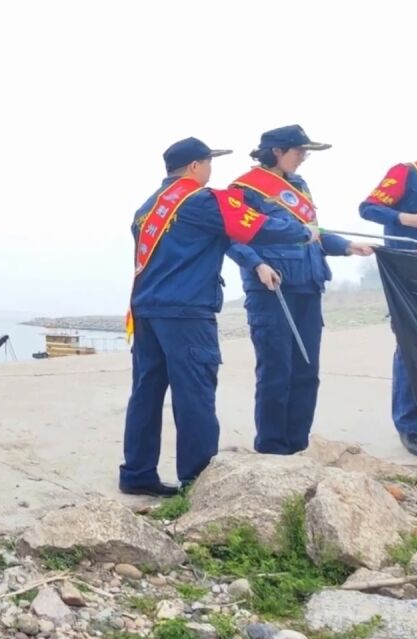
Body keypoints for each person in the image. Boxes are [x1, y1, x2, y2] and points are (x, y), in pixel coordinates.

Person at [120, 138, 316, 496]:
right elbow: (254, 225)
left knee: (146, 394)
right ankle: (198, 479)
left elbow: (223, 240)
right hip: (186, 314)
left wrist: (255, 263)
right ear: (195, 166)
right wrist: (303, 232)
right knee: (194, 394)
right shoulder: (201, 200)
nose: (211, 171)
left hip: (147, 311)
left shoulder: (148, 209)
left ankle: (137, 473)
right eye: (208, 163)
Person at [225, 126, 374, 455]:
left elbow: (313, 234)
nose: (304, 157)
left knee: (306, 371)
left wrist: (348, 246)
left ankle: (297, 446)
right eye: (299, 151)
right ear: (277, 151)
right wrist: (256, 265)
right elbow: (231, 236)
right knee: (277, 371)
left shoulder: (299, 186)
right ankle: (272, 449)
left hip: (308, 285)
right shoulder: (245, 189)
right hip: (272, 289)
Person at [359, 160, 417, 456]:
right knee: (411, 346)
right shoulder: (409, 172)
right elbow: (369, 208)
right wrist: (411, 220)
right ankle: (411, 426)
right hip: (411, 274)